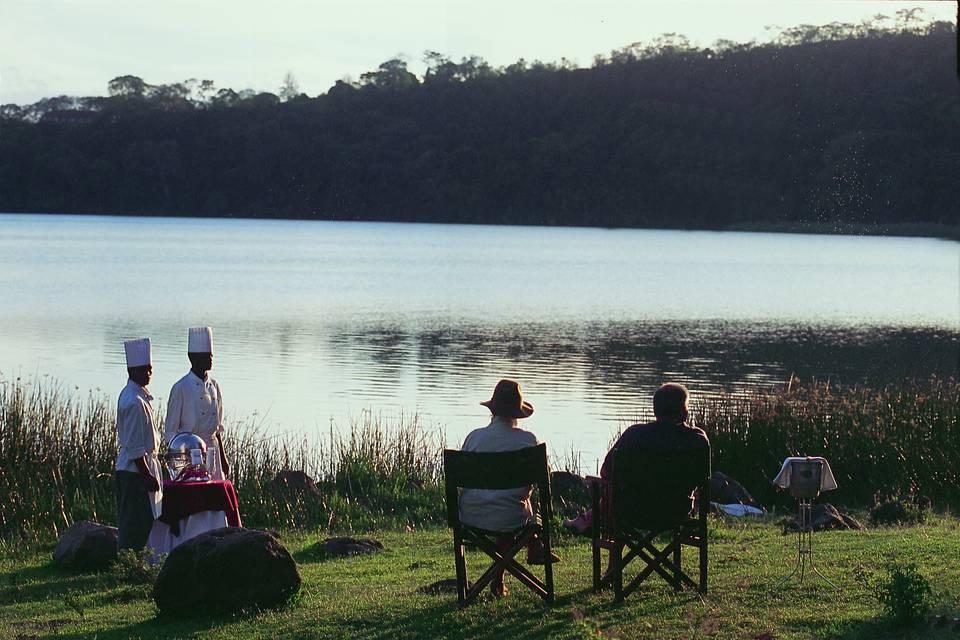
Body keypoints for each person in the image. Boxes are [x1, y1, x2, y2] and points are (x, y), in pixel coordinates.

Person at [564, 382, 709, 534]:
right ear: (684, 413)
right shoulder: (697, 438)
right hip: (677, 512)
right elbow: (703, 479)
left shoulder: (635, 435)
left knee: (614, 487)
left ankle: (589, 520)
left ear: (655, 411)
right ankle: (588, 520)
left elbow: (606, 472)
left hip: (632, 512)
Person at [459, 379, 560, 597]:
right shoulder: (528, 441)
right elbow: (542, 484)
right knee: (518, 500)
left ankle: (496, 580)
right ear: (517, 412)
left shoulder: (474, 438)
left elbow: (462, 483)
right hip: (512, 517)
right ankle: (534, 545)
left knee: (509, 499)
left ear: (493, 410)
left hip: (470, 515)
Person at [115, 337, 163, 551]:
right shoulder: (134, 402)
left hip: (136, 470)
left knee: (139, 521)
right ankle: (127, 565)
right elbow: (135, 446)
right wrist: (146, 475)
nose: (148, 374)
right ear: (132, 371)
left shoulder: (137, 396)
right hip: (134, 472)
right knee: (134, 522)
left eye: (150, 369)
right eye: (144, 370)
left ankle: (131, 563)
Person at [165, 327, 230, 480]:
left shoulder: (214, 386)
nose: (210, 359)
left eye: (211, 355)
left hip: (213, 455)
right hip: (191, 456)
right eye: (206, 356)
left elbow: (217, 429)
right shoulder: (181, 387)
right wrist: (181, 463)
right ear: (193, 358)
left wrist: (223, 458)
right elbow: (170, 433)